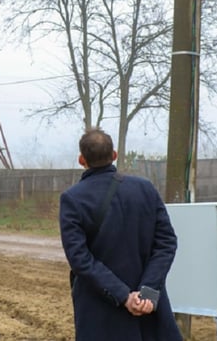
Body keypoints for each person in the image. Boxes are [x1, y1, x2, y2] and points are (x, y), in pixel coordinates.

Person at [59, 127, 182, 341]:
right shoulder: (145, 189)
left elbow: (80, 259)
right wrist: (148, 293)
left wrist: (124, 296)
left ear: (81, 159)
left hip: (101, 316)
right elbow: (166, 244)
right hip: (149, 313)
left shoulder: (72, 199)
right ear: (113, 155)